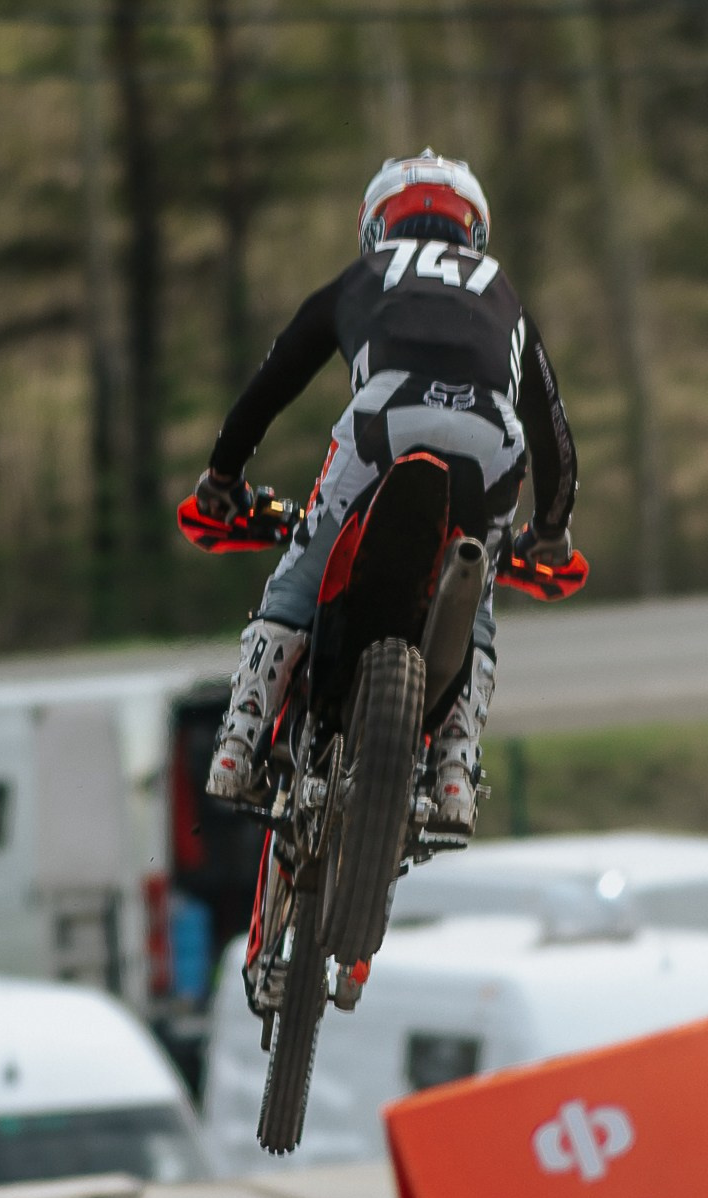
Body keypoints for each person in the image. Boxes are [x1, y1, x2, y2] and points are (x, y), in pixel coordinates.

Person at [191, 150, 581, 838]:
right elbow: (552, 429)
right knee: (477, 596)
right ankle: (455, 771)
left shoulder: (364, 275)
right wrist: (551, 529)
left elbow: (274, 379)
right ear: (474, 228)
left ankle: (239, 741)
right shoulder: (502, 291)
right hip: (493, 437)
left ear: (377, 223)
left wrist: (222, 478)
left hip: (386, 418)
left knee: (303, 569)